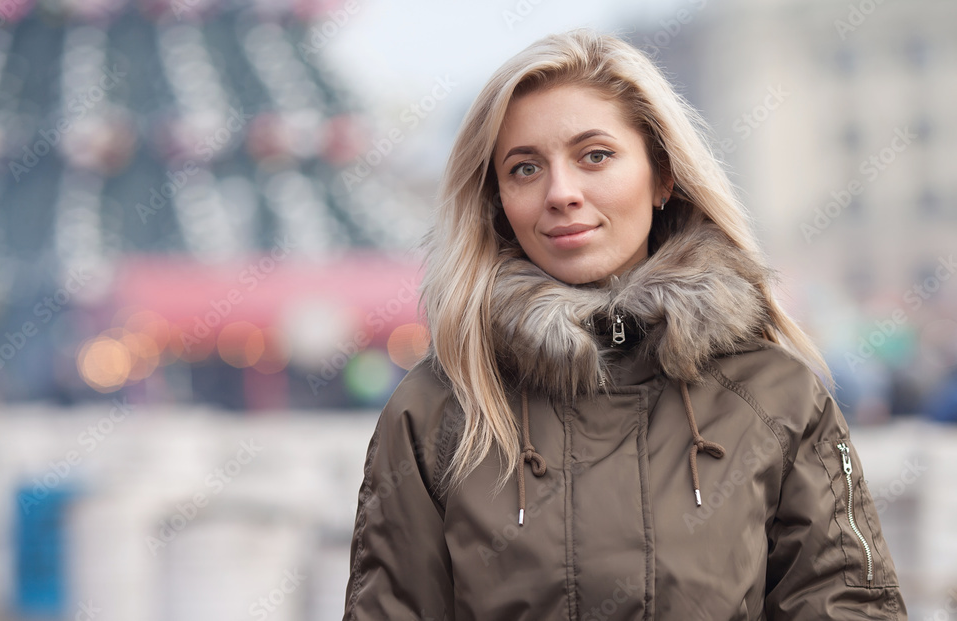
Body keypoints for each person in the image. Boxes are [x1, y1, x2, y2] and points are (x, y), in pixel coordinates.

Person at [343, 28, 907, 620]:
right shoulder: (436, 411)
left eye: (595, 156)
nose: (561, 192)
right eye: (525, 168)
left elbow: (847, 605)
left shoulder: (775, 396)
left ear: (662, 175)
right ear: (498, 202)